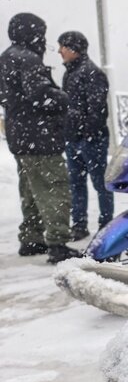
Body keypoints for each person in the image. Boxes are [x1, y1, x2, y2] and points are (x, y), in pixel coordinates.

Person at [0, 13, 81, 263]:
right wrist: (64, 98)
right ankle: (58, 243)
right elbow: (39, 94)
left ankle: (31, 238)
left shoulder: (5, 58)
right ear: (31, 33)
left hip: (20, 136)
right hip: (40, 137)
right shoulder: (29, 60)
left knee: (31, 188)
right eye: (41, 33)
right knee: (54, 187)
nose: (43, 39)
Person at [58, 30, 113, 241]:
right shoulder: (69, 73)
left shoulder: (92, 72)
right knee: (76, 183)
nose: (60, 51)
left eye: (63, 46)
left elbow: (97, 109)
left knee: (101, 183)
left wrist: (87, 133)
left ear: (75, 49)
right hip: (74, 139)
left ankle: (106, 223)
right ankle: (79, 224)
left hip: (92, 139)